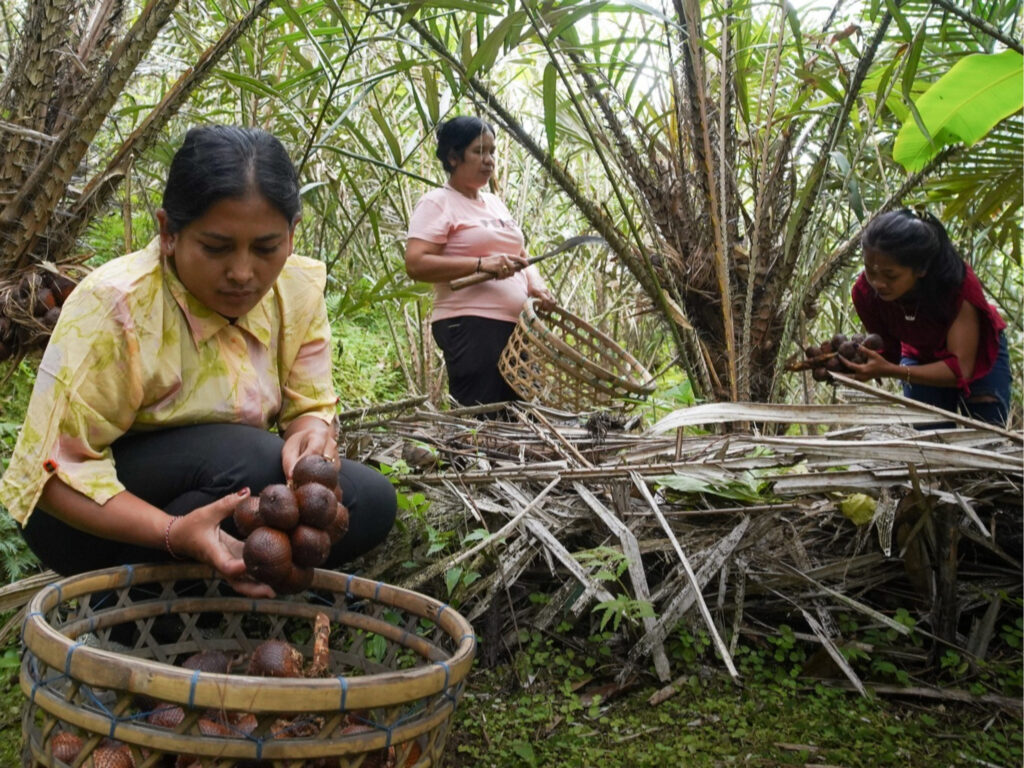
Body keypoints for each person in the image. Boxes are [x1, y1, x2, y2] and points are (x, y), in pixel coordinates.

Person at [0, 125, 396, 598]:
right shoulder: (117, 305)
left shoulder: (296, 291)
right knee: (251, 460)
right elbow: (49, 477)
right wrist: (173, 530)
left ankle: (200, 609)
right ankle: (121, 610)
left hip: (219, 485)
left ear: (291, 236)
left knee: (367, 502)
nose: (243, 273)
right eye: (216, 247)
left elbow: (310, 407)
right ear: (169, 233)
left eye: (267, 248)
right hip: (86, 523)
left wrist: (312, 439)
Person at [404, 116, 555, 409]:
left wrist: (536, 283)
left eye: (492, 152)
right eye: (478, 151)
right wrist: (480, 265)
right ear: (453, 156)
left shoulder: (495, 204)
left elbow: (520, 253)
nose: (489, 161)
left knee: (524, 419)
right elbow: (416, 263)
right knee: (482, 419)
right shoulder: (437, 203)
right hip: (470, 326)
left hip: (518, 328)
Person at [844, 208, 1010, 426]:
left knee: (986, 437)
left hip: (979, 354)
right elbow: (889, 352)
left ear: (921, 268)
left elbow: (961, 368)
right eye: (870, 271)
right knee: (930, 440)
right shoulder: (865, 294)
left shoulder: (958, 287)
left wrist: (892, 370)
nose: (878, 283)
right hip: (919, 356)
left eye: (890, 275)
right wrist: (848, 361)